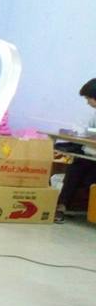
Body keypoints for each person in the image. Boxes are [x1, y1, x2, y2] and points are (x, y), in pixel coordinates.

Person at [55, 78, 96, 223]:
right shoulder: (94, 115)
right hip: (90, 156)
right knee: (75, 169)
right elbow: (87, 132)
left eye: (88, 98)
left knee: (87, 177)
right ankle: (61, 207)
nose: (87, 102)